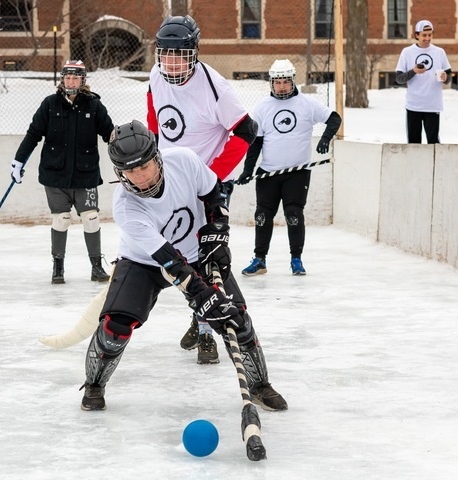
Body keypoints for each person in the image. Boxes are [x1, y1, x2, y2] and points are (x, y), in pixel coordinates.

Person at [79, 120, 287, 414]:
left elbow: (215, 194)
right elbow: (169, 262)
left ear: (157, 157)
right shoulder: (126, 206)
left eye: (145, 166)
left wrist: (217, 232)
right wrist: (202, 295)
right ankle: (94, 384)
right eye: (129, 170)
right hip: (145, 262)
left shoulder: (184, 161)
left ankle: (260, 385)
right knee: (116, 326)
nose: (139, 177)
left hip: (195, 253)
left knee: (235, 318)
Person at [147, 15, 259, 363]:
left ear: (194, 54)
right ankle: (199, 319)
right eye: (165, 54)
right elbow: (155, 119)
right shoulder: (156, 76)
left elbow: (246, 130)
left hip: (208, 186)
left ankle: (208, 332)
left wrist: (210, 177)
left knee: (207, 260)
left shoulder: (215, 87)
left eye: (180, 55)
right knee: (176, 257)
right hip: (167, 184)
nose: (172, 62)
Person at [10, 60, 114, 284]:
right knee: (61, 219)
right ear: (61, 79)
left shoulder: (94, 106)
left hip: (85, 174)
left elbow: (110, 134)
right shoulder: (50, 104)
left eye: (75, 78)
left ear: (83, 80)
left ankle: (96, 267)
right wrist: (18, 161)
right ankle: (58, 268)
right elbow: (33, 134)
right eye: (67, 77)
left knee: (91, 218)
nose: (70, 81)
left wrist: (126, 156)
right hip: (55, 175)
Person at [236, 59, 342, 277]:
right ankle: (259, 260)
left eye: (286, 81)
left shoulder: (307, 104)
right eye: (278, 82)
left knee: (293, 214)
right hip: (269, 172)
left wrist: (325, 139)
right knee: (263, 216)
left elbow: (334, 118)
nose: (282, 86)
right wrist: (248, 170)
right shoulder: (263, 107)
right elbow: (256, 142)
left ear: (293, 81)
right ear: (271, 83)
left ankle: (296, 259)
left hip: (297, 173)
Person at [395, 20, 452, 144]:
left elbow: (449, 77)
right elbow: (399, 79)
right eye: (424, 35)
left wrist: (445, 78)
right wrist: (413, 71)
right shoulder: (407, 52)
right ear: (417, 35)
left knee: (433, 143)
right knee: (413, 143)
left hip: (432, 105)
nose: (427, 38)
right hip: (413, 105)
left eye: (430, 35)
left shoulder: (439, 52)